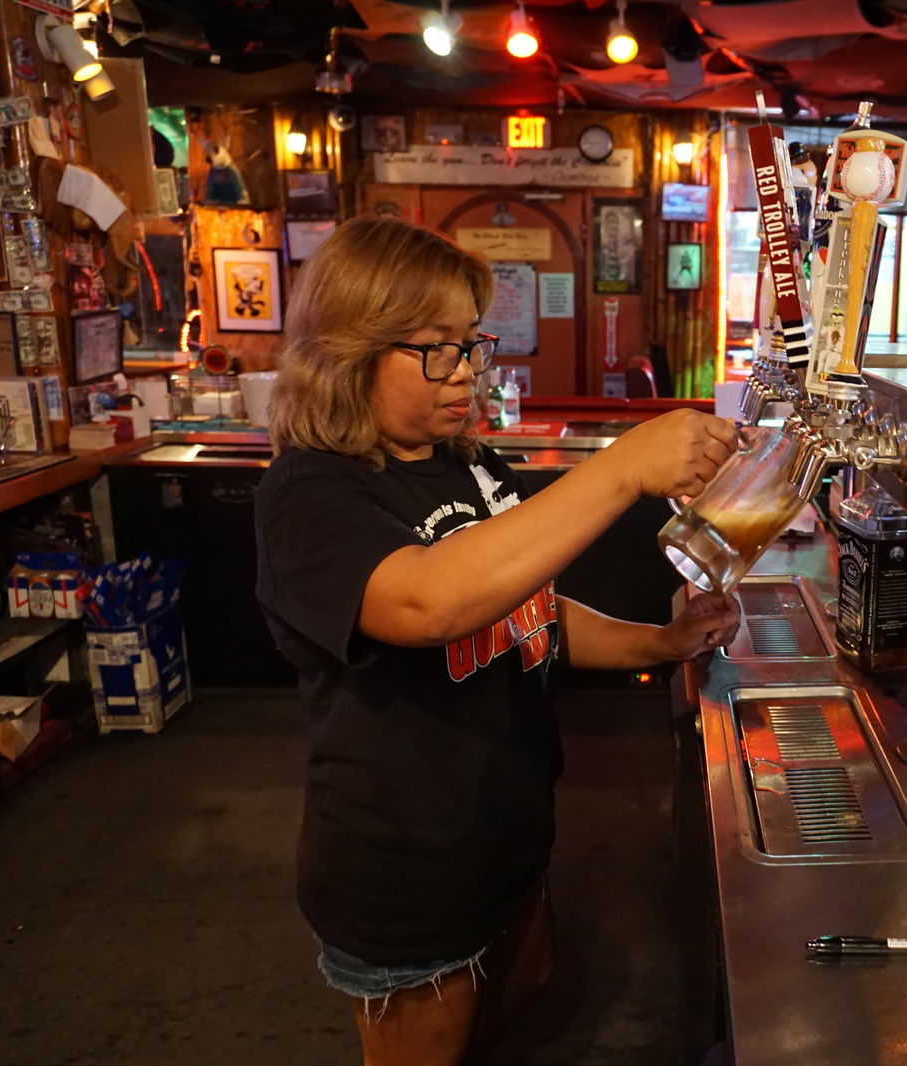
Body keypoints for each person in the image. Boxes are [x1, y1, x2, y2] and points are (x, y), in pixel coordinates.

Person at [255, 216, 740, 1064]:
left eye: (471, 344)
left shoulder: (470, 467)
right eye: (435, 350)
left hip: (507, 830)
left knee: (513, 1010)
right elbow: (430, 602)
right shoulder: (312, 495)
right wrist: (624, 466)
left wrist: (661, 643)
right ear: (348, 350)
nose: (467, 373)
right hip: (404, 864)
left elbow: (531, 614)